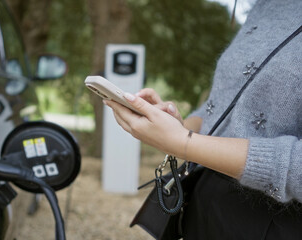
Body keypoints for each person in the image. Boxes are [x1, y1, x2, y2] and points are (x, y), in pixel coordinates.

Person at [103, 0, 302, 239]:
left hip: (271, 224)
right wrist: (174, 125)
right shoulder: (267, 5)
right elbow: (223, 105)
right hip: (205, 201)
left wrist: (182, 143)